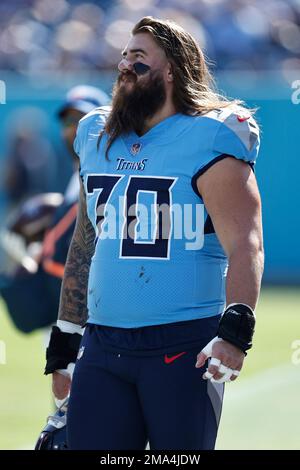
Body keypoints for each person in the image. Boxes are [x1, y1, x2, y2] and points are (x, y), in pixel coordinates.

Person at [45, 17, 264, 450]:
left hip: (184, 343)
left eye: (139, 58)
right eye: (124, 56)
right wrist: (67, 333)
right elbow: (87, 243)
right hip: (104, 344)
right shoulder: (98, 134)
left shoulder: (212, 135)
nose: (125, 66)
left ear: (172, 70)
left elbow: (246, 241)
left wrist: (236, 328)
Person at [0, 85, 109, 334]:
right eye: (68, 121)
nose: (73, 128)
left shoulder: (111, 174)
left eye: (83, 119)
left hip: (96, 317)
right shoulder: (74, 180)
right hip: (64, 315)